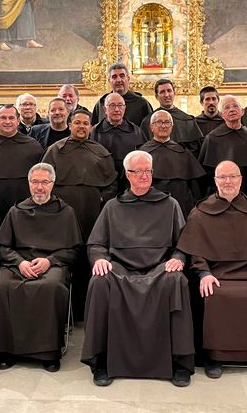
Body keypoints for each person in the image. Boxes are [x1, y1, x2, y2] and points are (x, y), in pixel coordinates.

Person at [82, 151, 194, 387]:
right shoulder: (113, 206)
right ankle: (101, 361)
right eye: (138, 171)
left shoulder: (170, 204)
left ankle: (179, 362)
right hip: (121, 269)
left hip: (159, 268)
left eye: (148, 171)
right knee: (100, 281)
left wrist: (179, 258)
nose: (144, 176)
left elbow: (183, 243)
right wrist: (100, 258)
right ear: (127, 174)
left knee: (177, 281)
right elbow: (96, 243)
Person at [177, 161, 247, 380]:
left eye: (232, 177)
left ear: (241, 179)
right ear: (215, 181)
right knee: (214, 294)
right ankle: (214, 356)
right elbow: (195, 250)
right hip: (217, 274)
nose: (227, 181)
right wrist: (204, 273)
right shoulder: (200, 212)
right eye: (222, 177)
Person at [0, 163, 83, 372]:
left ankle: (48, 353)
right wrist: (20, 262)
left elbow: (74, 251)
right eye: (35, 182)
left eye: (44, 182)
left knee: (51, 287)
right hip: (19, 263)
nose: (39, 187)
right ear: (29, 183)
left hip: (53, 264)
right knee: (2, 287)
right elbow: (2, 247)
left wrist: (50, 261)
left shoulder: (66, 212)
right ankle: (7, 351)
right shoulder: (16, 211)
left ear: (53, 184)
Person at [42, 108, 117, 317]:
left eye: (86, 123)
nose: (82, 127)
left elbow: (111, 183)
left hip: (92, 215)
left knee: (88, 257)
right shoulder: (55, 150)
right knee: (64, 257)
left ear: (90, 127)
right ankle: (65, 311)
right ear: (69, 125)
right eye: (78, 123)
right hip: (61, 215)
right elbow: (45, 180)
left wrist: (102, 201)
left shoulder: (101, 151)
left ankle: (87, 310)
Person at [0, 104, 44, 219]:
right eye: (3, 118)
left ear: (18, 121)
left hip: (26, 209)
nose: (7, 121)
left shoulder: (33, 146)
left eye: (11, 118)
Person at [141, 110, 206, 218]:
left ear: (172, 126)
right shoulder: (142, 153)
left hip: (181, 207)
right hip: (149, 206)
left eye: (167, 122)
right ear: (151, 127)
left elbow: (195, 187)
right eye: (159, 122)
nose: (163, 126)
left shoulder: (184, 152)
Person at [199, 95, 247, 195]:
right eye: (227, 107)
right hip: (218, 194)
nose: (232, 110)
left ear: (242, 112)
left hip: (245, 193)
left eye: (235, 106)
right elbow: (205, 173)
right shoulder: (212, 138)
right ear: (222, 115)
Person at [90, 92, 148, 193]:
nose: (117, 109)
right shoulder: (95, 131)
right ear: (104, 109)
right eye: (112, 106)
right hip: (103, 185)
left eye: (120, 105)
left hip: (130, 185)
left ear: (125, 108)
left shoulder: (136, 131)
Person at [140, 79, 203, 157]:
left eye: (169, 91)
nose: (167, 95)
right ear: (156, 96)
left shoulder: (188, 120)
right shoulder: (147, 121)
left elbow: (195, 152)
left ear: (174, 93)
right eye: (162, 92)